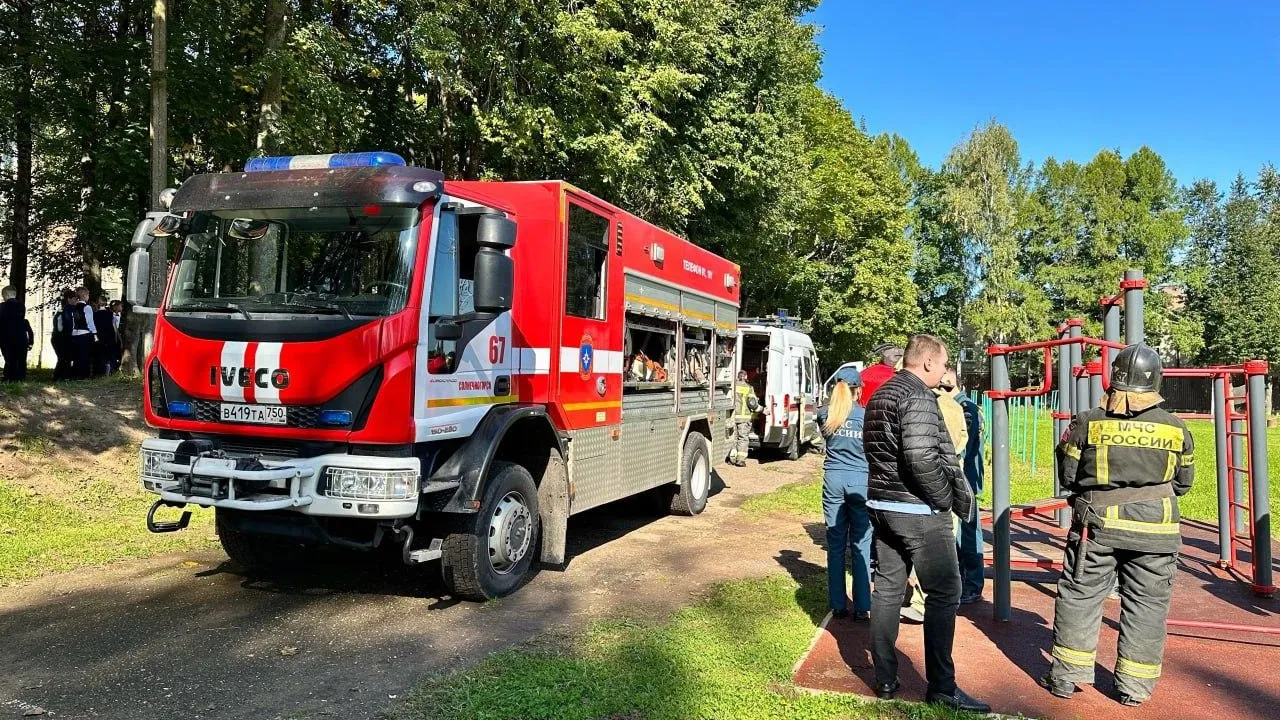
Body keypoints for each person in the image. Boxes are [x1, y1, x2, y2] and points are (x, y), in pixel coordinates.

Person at [1040, 344, 1194, 707]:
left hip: (1098, 528)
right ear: (1155, 381)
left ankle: (1065, 677)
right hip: (1158, 533)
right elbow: (1184, 484)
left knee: (1081, 595)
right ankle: (1134, 688)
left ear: (1115, 378)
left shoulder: (1087, 421)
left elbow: (1067, 473)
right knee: (1148, 606)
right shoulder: (1176, 429)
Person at [864, 334, 988, 712]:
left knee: (887, 590)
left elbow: (877, 450)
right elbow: (920, 456)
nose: (946, 371)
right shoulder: (917, 395)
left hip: (883, 505)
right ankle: (942, 687)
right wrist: (943, 498)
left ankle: (885, 678)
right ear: (929, 363)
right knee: (945, 592)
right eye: (945, 363)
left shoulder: (883, 392)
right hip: (917, 510)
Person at [818, 366, 871, 621]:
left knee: (836, 544)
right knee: (862, 544)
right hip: (860, 480)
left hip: (834, 480)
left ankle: (838, 604)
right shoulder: (866, 416)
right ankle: (862, 606)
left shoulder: (824, 415)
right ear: (858, 390)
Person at [945, 372, 986, 604]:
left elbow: (963, 448)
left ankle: (972, 583)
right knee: (963, 531)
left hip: (964, 476)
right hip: (965, 476)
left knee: (968, 532)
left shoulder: (964, 408)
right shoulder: (966, 406)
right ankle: (966, 581)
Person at [0, 286, 35, 382]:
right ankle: (20, 377)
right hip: (21, 337)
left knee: (9, 359)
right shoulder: (21, 306)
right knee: (21, 359)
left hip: (6, 337)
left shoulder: (2, 306)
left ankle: (9, 377)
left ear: (6, 295)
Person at [730, 370, 758, 467]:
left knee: (733, 438)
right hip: (744, 418)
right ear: (745, 376)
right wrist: (762, 409)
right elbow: (752, 404)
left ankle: (732, 458)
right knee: (743, 438)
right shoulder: (749, 388)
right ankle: (740, 460)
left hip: (732, 417)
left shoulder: (732, 386)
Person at [69, 286, 97, 379]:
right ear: (85, 296)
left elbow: (72, 321)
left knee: (76, 355)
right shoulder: (87, 307)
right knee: (84, 355)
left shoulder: (74, 307)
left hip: (74, 334)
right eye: (88, 295)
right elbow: (90, 321)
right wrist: (94, 333)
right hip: (84, 333)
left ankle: (75, 375)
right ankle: (83, 375)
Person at [92, 295, 118, 376]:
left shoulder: (94, 315)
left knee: (101, 355)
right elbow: (114, 327)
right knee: (111, 355)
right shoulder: (110, 314)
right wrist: (116, 337)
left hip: (100, 337)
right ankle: (112, 371)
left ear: (97, 304)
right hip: (110, 337)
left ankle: (101, 372)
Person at [52, 289, 74, 380]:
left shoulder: (63, 310)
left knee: (64, 358)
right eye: (74, 298)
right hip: (60, 338)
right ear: (69, 299)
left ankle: (61, 376)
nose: (76, 301)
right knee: (63, 357)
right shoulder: (65, 311)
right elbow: (61, 328)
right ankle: (59, 376)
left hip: (59, 337)